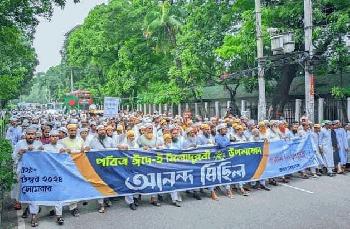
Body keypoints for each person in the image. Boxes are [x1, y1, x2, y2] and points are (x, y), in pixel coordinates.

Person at [13, 128, 43, 226]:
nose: (30, 136)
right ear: (25, 135)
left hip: (34, 173)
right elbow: (13, 157)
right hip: (22, 172)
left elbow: (43, 159)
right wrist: (20, 153)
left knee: (34, 193)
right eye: (28, 134)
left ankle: (34, 216)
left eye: (32, 134)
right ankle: (21, 204)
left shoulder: (39, 144)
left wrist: (41, 151)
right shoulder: (19, 144)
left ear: (35, 135)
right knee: (21, 191)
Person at [61, 123, 86, 217]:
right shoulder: (62, 141)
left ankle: (74, 207)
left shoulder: (80, 140)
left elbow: (84, 150)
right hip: (67, 167)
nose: (73, 132)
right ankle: (71, 207)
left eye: (74, 130)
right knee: (69, 187)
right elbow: (58, 152)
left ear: (76, 131)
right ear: (68, 131)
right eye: (71, 130)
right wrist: (63, 150)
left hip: (78, 167)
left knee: (76, 187)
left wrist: (86, 149)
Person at [87, 125, 114, 213]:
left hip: (109, 165)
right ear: (97, 131)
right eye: (100, 130)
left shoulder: (110, 140)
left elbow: (115, 150)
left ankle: (107, 199)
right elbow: (88, 150)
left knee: (108, 183)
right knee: (99, 184)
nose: (102, 131)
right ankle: (101, 204)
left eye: (103, 130)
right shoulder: (93, 141)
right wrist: (87, 148)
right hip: (98, 166)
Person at [43, 130, 66, 225]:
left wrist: (65, 151)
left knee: (58, 194)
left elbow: (68, 157)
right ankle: (51, 209)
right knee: (49, 193)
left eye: (57, 136)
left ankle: (59, 215)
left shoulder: (62, 146)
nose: (55, 138)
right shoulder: (44, 147)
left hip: (59, 174)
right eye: (53, 136)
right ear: (49, 137)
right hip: (48, 174)